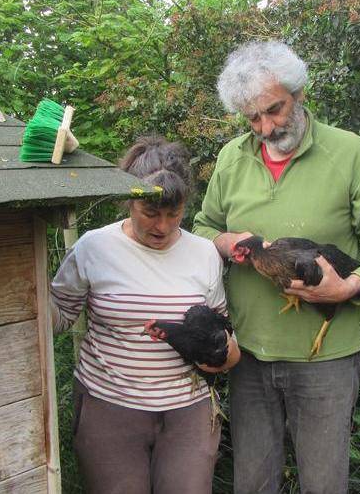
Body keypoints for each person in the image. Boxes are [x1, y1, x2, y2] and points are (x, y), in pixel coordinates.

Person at [193, 40, 360, 493]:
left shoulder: (350, 153)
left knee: (324, 484)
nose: (267, 127)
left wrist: (350, 287)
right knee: (252, 483)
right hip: (247, 354)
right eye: (253, 118)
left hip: (325, 361)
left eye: (275, 109)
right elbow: (203, 225)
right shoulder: (232, 158)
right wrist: (225, 240)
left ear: (300, 92)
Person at [51, 136, 240, 494]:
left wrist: (227, 354)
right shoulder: (94, 247)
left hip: (189, 411)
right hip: (109, 406)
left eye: (174, 213)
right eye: (150, 213)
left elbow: (222, 326)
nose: (163, 226)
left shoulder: (204, 254)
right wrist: (23, 302)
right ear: (129, 201)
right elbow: (60, 313)